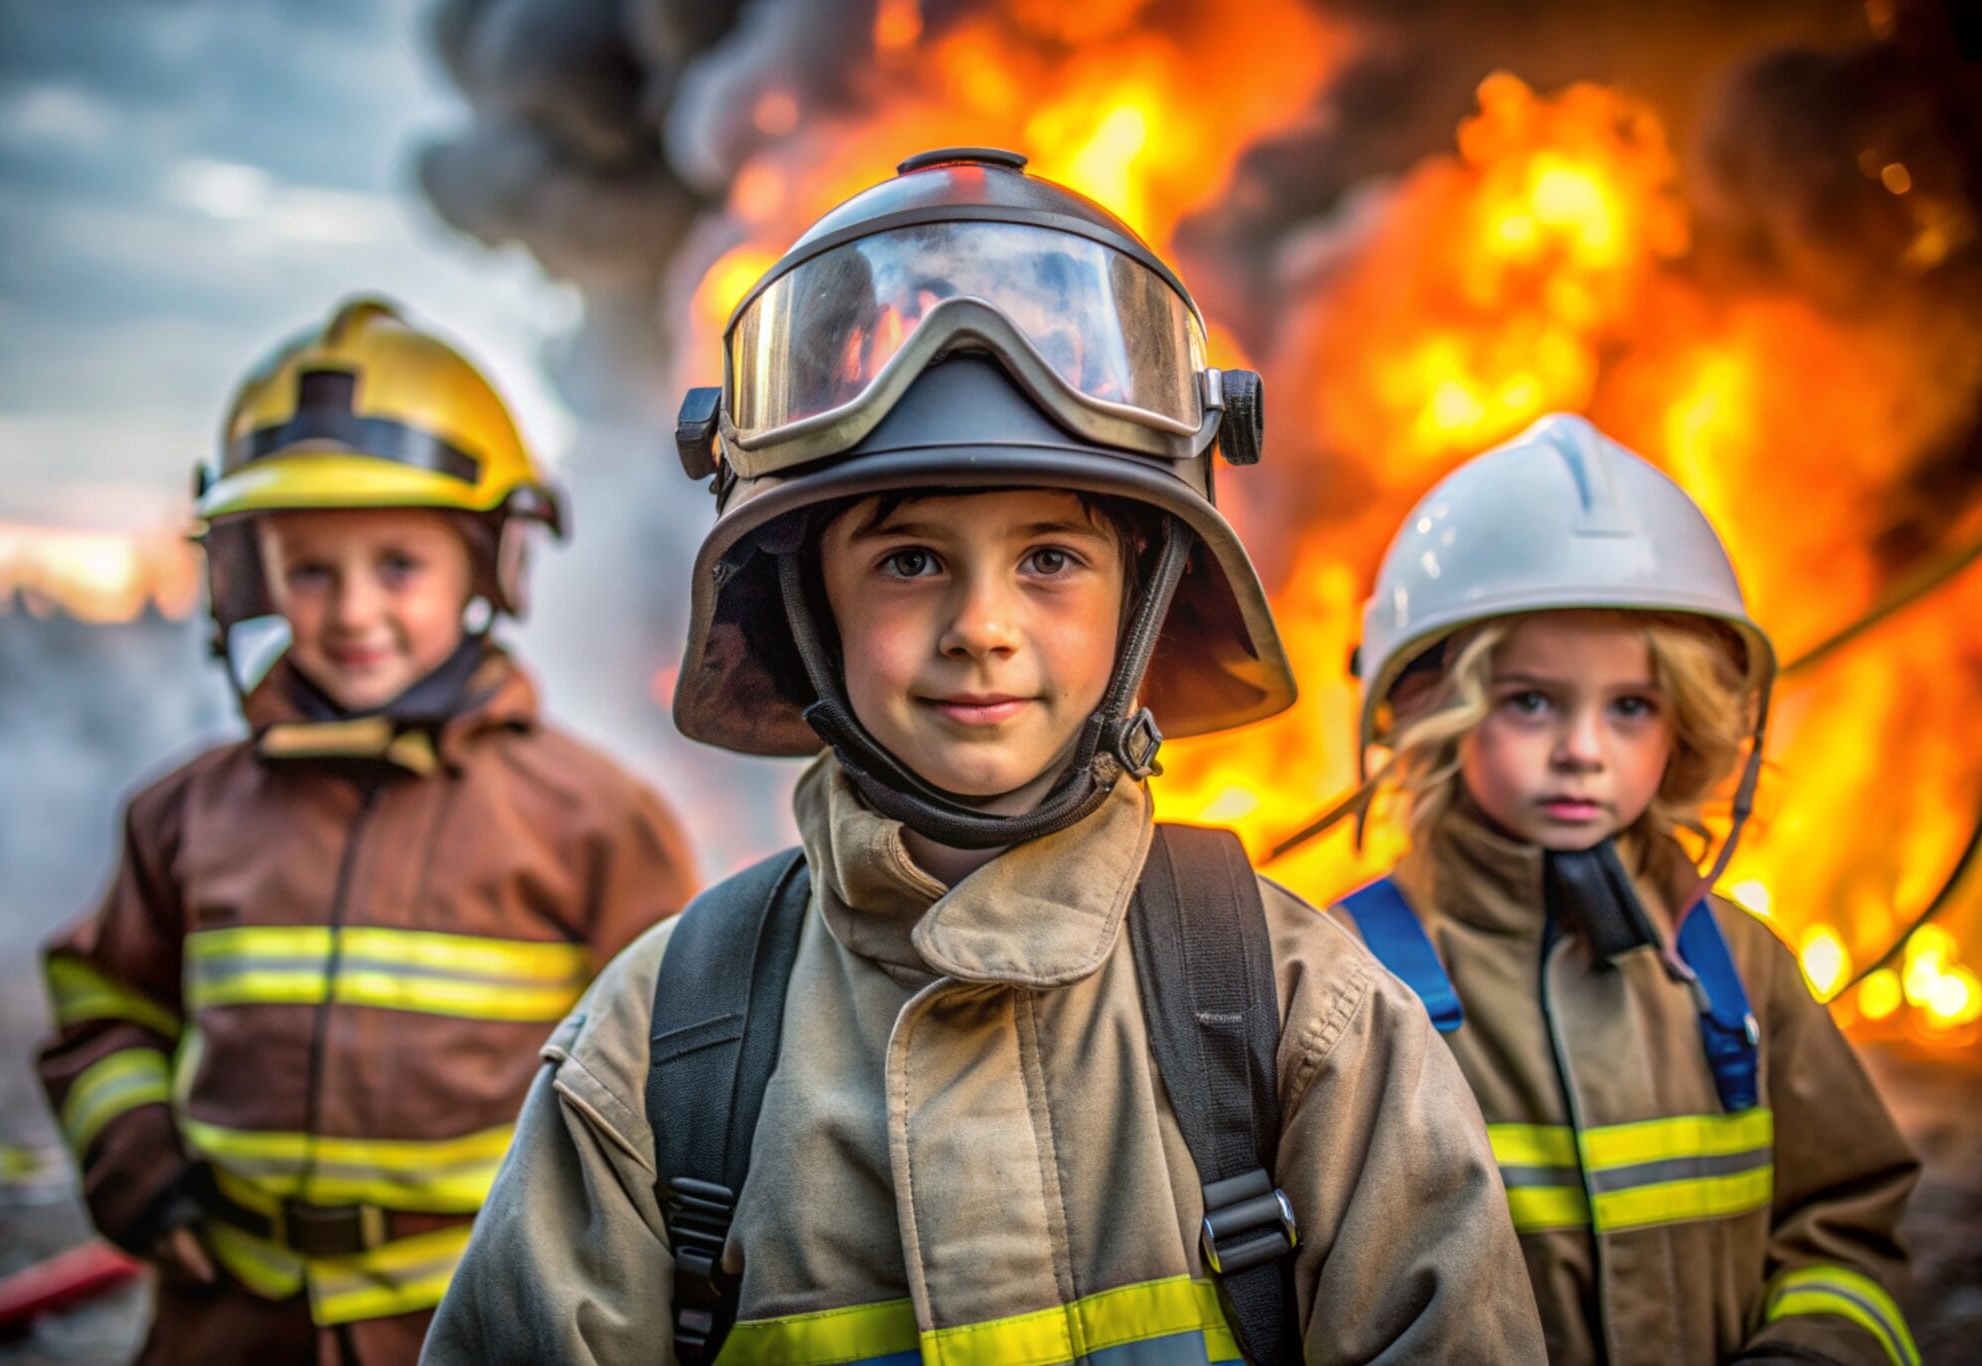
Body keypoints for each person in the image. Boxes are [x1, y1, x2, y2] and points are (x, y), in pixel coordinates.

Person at [426, 148, 1541, 1364]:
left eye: (1050, 559)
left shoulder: (1293, 1014)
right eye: (908, 560)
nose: (982, 628)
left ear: (1144, 598)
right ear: (809, 608)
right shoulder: (663, 1045)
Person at [35, 297, 699, 1364]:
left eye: (398, 566)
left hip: (481, 1320)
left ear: (488, 566)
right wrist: (136, 1159)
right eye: (309, 570)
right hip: (226, 1322)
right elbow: (103, 1002)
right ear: (248, 578)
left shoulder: (591, 818)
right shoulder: (181, 814)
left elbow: (679, 1071)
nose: (351, 612)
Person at [1332, 413, 1920, 1365]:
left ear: (1684, 723)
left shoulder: (1739, 966)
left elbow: (1848, 1224)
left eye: (1632, 707)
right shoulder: (1344, 984)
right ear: (1429, 710)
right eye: (1531, 700)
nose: (1583, 751)